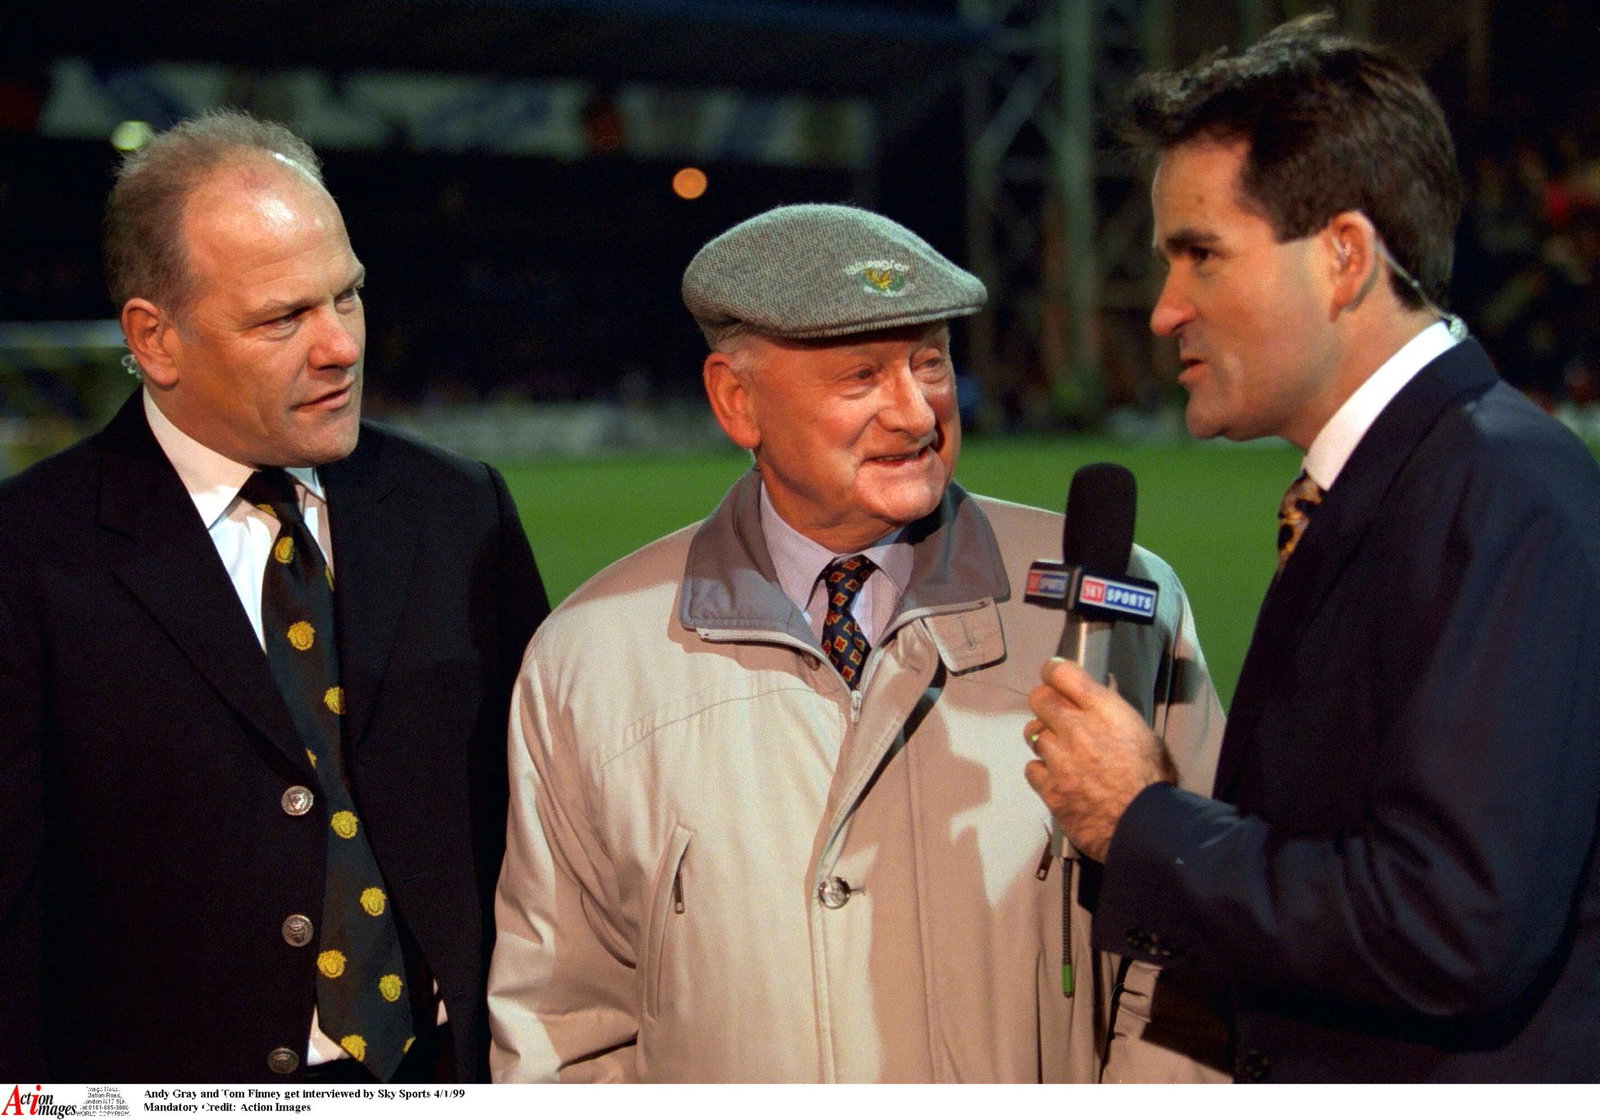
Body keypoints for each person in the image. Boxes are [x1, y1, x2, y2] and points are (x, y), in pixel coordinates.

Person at [488, 202, 1226, 1082]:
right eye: (862, 376)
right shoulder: (587, 658)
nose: (915, 414)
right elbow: (562, 1026)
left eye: (931, 363)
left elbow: (1196, 956)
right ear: (736, 399)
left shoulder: (1122, 605)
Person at [1023, 15, 1600, 1082]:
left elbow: (1448, 928)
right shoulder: (1402, 479)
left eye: (1200, 254)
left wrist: (1146, 824)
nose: (1162, 310)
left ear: (1342, 257)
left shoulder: (1496, 492)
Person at [0, 110, 549, 1083]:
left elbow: (539, 824)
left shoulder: (458, 508)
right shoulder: (27, 554)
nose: (340, 345)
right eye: (282, 317)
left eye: (348, 297)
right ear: (154, 339)